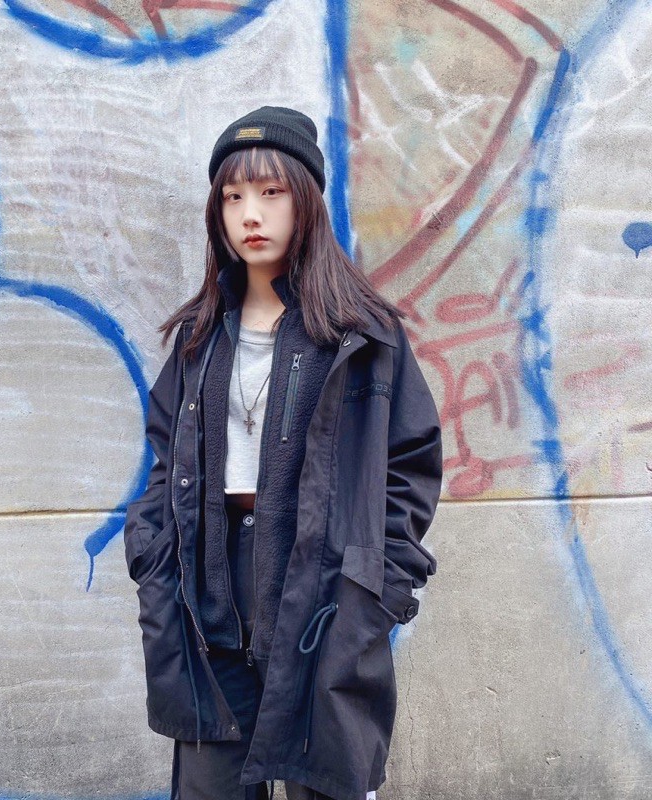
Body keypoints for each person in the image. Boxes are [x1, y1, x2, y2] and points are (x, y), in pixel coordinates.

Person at [124, 106, 443, 800]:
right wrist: (153, 561)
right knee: (210, 785)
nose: (250, 214)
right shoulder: (199, 337)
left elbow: (411, 465)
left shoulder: (361, 335)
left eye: (271, 192)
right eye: (233, 196)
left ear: (306, 201)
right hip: (211, 590)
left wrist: (380, 587)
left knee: (324, 780)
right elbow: (163, 462)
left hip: (323, 591)